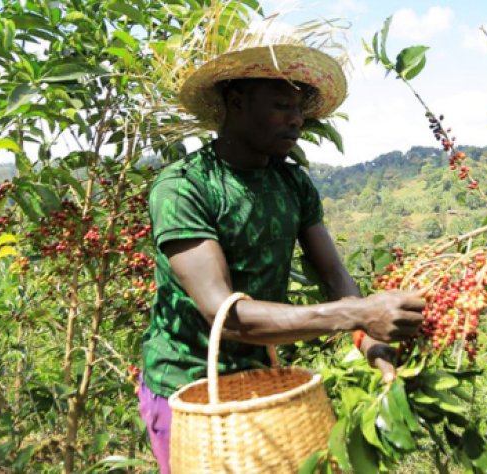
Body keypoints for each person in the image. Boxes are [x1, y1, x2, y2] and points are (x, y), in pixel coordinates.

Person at [138, 42, 425, 473]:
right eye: (280, 106)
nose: (296, 120)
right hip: (186, 386)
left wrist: (371, 340)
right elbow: (225, 316)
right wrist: (360, 313)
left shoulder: (291, 183)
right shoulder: (184, 187)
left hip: (263, 378)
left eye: (298, 109)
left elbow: (333, 273)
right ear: (236, 103)